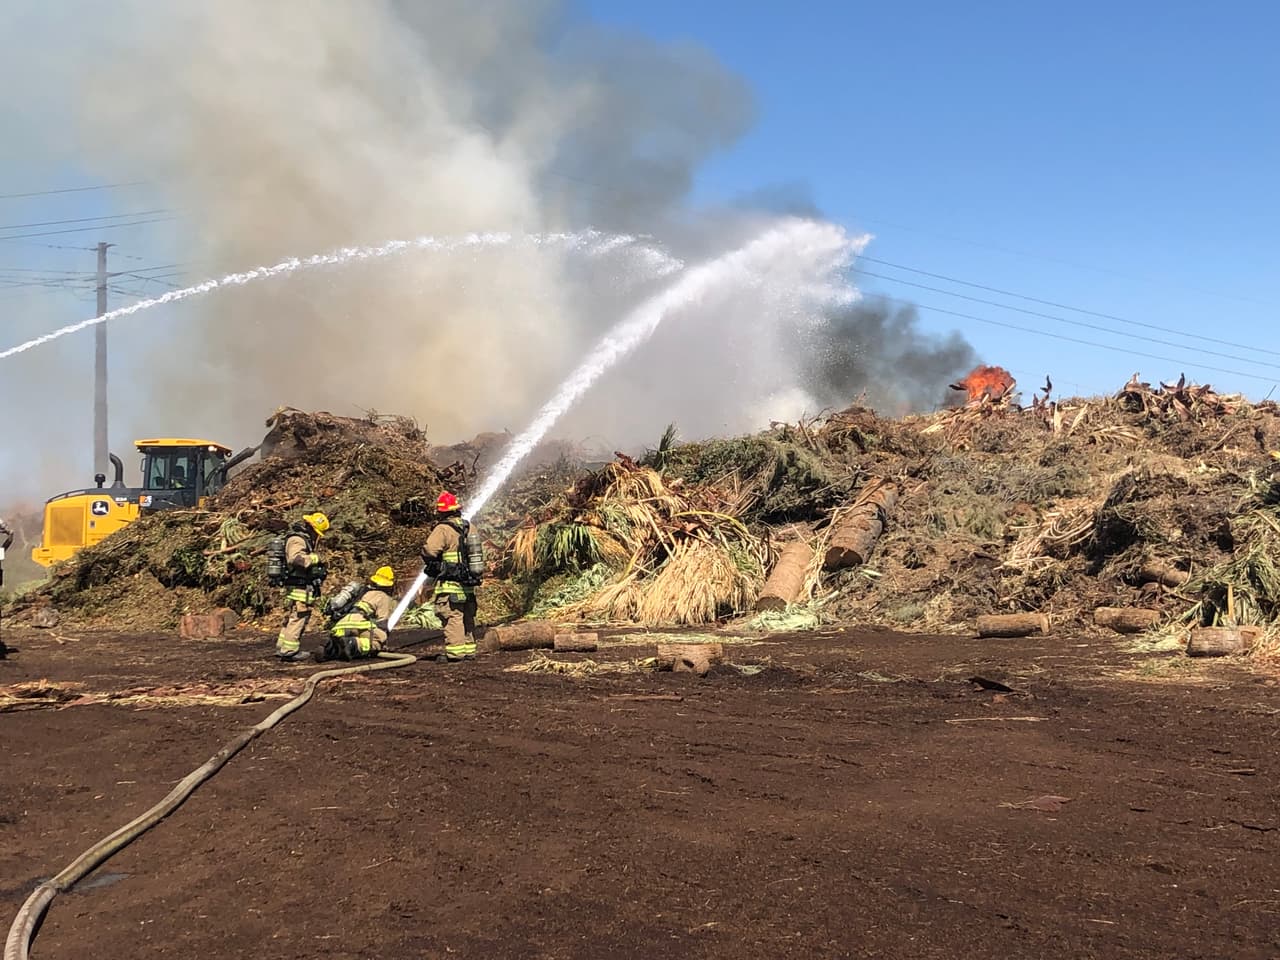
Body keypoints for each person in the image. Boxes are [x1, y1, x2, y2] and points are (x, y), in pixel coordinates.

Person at [421, 491, 478, 661]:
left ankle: (455, 653)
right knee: (468, 616)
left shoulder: (443, 529)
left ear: (442, 512)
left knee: (453, 616)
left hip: (450, 583)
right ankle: (469, 650)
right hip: (468, 583)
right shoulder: (470, 527)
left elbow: (430, 550)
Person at [275, 512, 330, 663]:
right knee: (299, 616)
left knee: (292, 616)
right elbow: (295, 559)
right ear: (312, 528)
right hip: (299, 586)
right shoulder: (297, 540)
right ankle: (290, 651)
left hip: (297, 584)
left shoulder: (300, 538)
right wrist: (315, 558)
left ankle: (282, 647)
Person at [325, 566, 396, 661]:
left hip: (341, 625)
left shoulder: (363, 592)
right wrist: (383, 637)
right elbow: (382, 621)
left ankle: (328, 650)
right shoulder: (383, 597)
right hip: (359, 625)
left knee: (340, 645)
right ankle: (352, 644)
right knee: (377, 641)